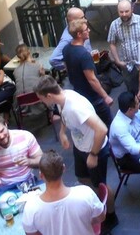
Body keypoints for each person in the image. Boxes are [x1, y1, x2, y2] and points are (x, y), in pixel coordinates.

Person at [35, 76, 119, 230]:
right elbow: (64, 117)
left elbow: (102, 129)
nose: (43, 103)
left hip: (94, 149)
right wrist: (62, 133)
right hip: (80, 147)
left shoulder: (75, 107)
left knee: (101, 185)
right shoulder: (61, 99)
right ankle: (94, 203)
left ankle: (111, 216)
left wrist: (93, 155)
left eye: (42, 100)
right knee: (82, 178)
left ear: (49, 96)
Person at [20, 149, 106, 235]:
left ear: (41, 175)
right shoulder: (85, 193)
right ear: (63, 168)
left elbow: (31, 233)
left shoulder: (31, 207)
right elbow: (101, 217)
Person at [63, 18, 113, 127]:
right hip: (93, 97)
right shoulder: (84, 55)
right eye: (86, 29)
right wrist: (105, 97)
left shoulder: (66, 49)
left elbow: (67, 68)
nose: (89, 30)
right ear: (79, 34)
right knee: (107, 125)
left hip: (79, 93)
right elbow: (92, 80)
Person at [0, 116, 43, 197]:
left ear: (6, 125)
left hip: (28, 181)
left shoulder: (25, 136)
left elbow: (42, 160)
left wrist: (29, 161)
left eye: (2, 131)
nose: (1, 136)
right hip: (3, 187)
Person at [107, 0, 140, 95]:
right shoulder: (114, 24)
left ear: (132, 9)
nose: (124, 14)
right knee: (131, 92)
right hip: (126, 65)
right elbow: (112, 43)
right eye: (121, 12)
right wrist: (117, 61)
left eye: (126, 11)